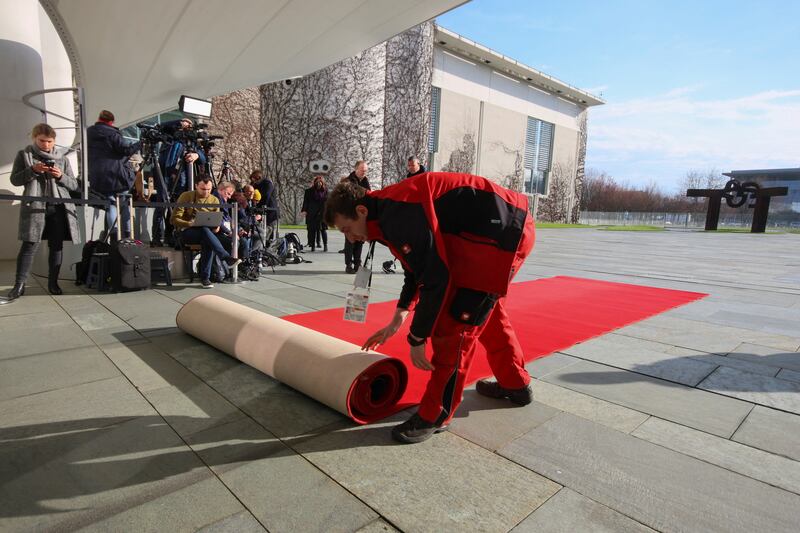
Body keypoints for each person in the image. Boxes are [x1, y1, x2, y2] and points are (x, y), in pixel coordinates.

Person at [324, 171, 535, 444]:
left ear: (361, 211)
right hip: (491, 232)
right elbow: (417, 270)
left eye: (346, 229)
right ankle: (516, 384)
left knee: (456, 326)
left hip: (502, 236)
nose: (349, 238)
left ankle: (436, 413)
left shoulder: (397, 215)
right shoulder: (387, 213)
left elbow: (436, 279)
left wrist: (418, 337)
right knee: (486, 314)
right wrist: (400, 315)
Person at [7, 123, 80, 299]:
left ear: (54, 140)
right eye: (42, 141)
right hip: (34, 207)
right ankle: (19, 285)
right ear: (34, 138)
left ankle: (53, 283)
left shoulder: (62, 158)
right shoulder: (24, 155)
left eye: (49, 141)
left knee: (56, 246)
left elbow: (74, 185)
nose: (46, 145)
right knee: (29, 245)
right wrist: (33, 170)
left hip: (59, 207)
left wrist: (60, 176)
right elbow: (15, 180)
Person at [171, 176, 240, 288]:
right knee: (205, 232)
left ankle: (206, 278)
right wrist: (190, 223)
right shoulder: (186, 196)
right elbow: (173, 219)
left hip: (207, 233)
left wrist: (216, 227)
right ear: (196, 186)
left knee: (206, 236)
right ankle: (222, 261)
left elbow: (217, 222)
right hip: (187, 232)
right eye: (203, 189)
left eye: (209, 189)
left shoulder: (214, 200)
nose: (206, 192)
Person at [86, 110, 141, 239]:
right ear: (111, 122)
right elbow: (126, 150)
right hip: (116, 173)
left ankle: (113, 234)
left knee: (110, 203)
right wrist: (140, 143)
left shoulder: (88, 132)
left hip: (97, 173)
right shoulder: (113, 133)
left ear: (99, 119)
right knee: (123, 202)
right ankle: (127, 235)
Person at [152, 117, 206, 246]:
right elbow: (160, 126)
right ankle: (156, 237)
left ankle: (171, 236)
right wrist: (178, 122)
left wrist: (196, 155)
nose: (186, 127)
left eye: (189, 125)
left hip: (181, 180)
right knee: (162, 206)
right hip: (165, 176)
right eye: (185, 124)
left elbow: (203, 158)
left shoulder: (192, 143)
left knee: (177, 208)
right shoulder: (170, 137)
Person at [341, 160, 371, 273]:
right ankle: (348, 264)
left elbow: (369, 196)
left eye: (366, 171)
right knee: (350, 241)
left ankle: (357, 263)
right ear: (356, 169)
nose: (364, 172)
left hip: (361, 217)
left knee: (360, 241)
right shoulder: (347, 181)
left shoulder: (366, 181)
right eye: (362, 170)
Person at [300, 175, 328, 251]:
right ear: (315, 183)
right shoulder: (308, 191)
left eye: (320, 182)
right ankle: (312, 246)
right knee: (312, 230)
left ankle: (325, 245)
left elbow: (327, 203)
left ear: (323, 183)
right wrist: (304, 210)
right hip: (311, 213)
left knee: (323, 230)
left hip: (322, 213)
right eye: (317, 182)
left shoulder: (326, 191)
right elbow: (305, 202)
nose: (319, 184)